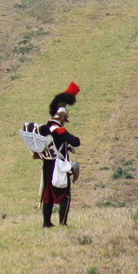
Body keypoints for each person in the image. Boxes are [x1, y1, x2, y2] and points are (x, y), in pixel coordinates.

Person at [38, 83, 81, 228]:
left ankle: (46, 223)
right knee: (65, 195)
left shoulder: (46, 128)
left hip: (47, 166)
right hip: (58, 165)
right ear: (62, 118)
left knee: (48, 194)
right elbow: (76, 142)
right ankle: (63, 222)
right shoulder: (60, 131)